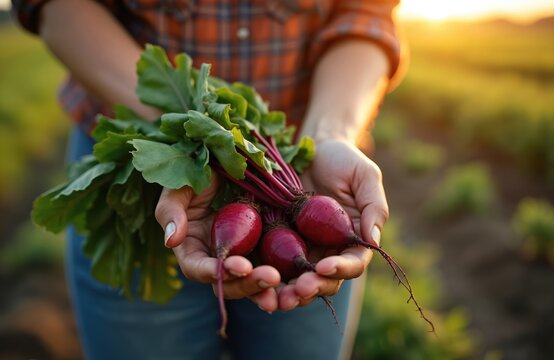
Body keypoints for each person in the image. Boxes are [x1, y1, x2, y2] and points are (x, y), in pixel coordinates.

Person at [13, 0, 402, 359]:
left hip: (309, 169)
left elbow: (365, 13)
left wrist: (329, 135)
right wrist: (192, 133)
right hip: (137, 162)